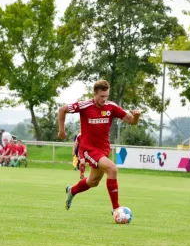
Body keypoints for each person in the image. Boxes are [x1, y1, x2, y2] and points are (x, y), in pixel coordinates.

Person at [58, 79, 141, 212]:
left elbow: (131, 120)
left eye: (106, 96)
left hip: (103, 149)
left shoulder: (111, 107)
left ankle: (72, 190)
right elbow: (62, 110)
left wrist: (136, 116)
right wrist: (61, 131)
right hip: (89, 149)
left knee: (93, 182)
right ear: (95, 94)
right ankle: (116, 209)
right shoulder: (84, 106)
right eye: (102, 96)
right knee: (112, 169)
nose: (104, 99)